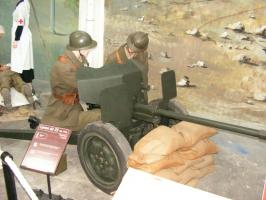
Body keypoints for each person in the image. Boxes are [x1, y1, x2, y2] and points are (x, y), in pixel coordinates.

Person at [42, 31, 101, 131]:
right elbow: (85, 86)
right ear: (78, 49)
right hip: (63, 114)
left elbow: (88, 75)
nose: (90, 50)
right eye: (88, 48)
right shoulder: (65, 67)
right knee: (101, 115)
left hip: (72, 107)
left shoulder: (77, 59)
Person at [105, 31, 150, 102]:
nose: (131, 52)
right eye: (130, 49)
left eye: (135, 51)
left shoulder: (143, 55)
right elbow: (106, 82)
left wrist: (144, 100)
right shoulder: (113, 58)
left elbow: (144, 77)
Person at [11, 0, 34, 84]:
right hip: (24, 35)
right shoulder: (25, 3)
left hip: (21, 38)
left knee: (22, 62)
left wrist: (16, 39)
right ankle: (26, 84)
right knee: (25, 60)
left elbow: (20, 23)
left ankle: (24, 83)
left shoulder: (21, 6)